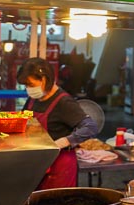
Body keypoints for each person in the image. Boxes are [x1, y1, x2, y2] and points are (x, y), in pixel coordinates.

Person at [17, 57, 99, 189]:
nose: (28, 89)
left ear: (44, 79)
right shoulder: (34, 99)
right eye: (26, 86)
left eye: (30, 85)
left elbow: (90, 127)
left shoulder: (64, 102)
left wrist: (65, 141)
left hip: (59, 167)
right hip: (38, 165)